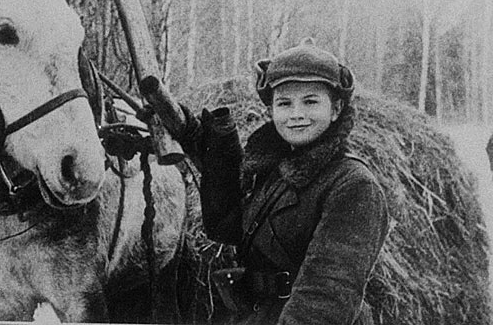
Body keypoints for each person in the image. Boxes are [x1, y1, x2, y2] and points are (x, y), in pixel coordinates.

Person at [163, 37, 389, 325]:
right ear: (271, 111)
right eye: (284, 103)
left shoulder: (353, 186)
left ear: (335, 109)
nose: (296, 115)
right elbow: (229, 226)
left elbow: (326, 296)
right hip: (257, 314)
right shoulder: (276, 170)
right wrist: (203, 142)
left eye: (310, 102)